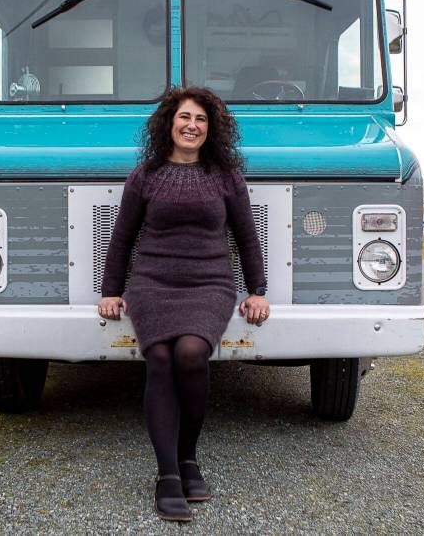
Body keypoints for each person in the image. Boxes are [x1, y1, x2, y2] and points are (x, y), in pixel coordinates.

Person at [98, 87, 269, 522]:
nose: (192, 125)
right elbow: (123, 237)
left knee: (191, 354)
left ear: (211, 129)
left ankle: (189, 456)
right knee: (158, 356)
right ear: (169, 124)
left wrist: (258, 290)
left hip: (209, 282)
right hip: (152, 281)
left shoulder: (226, 175)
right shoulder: (146, 175)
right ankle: (168, 475)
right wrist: (111, 290)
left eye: (201, 120)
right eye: (184, 117)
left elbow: (247, 237)